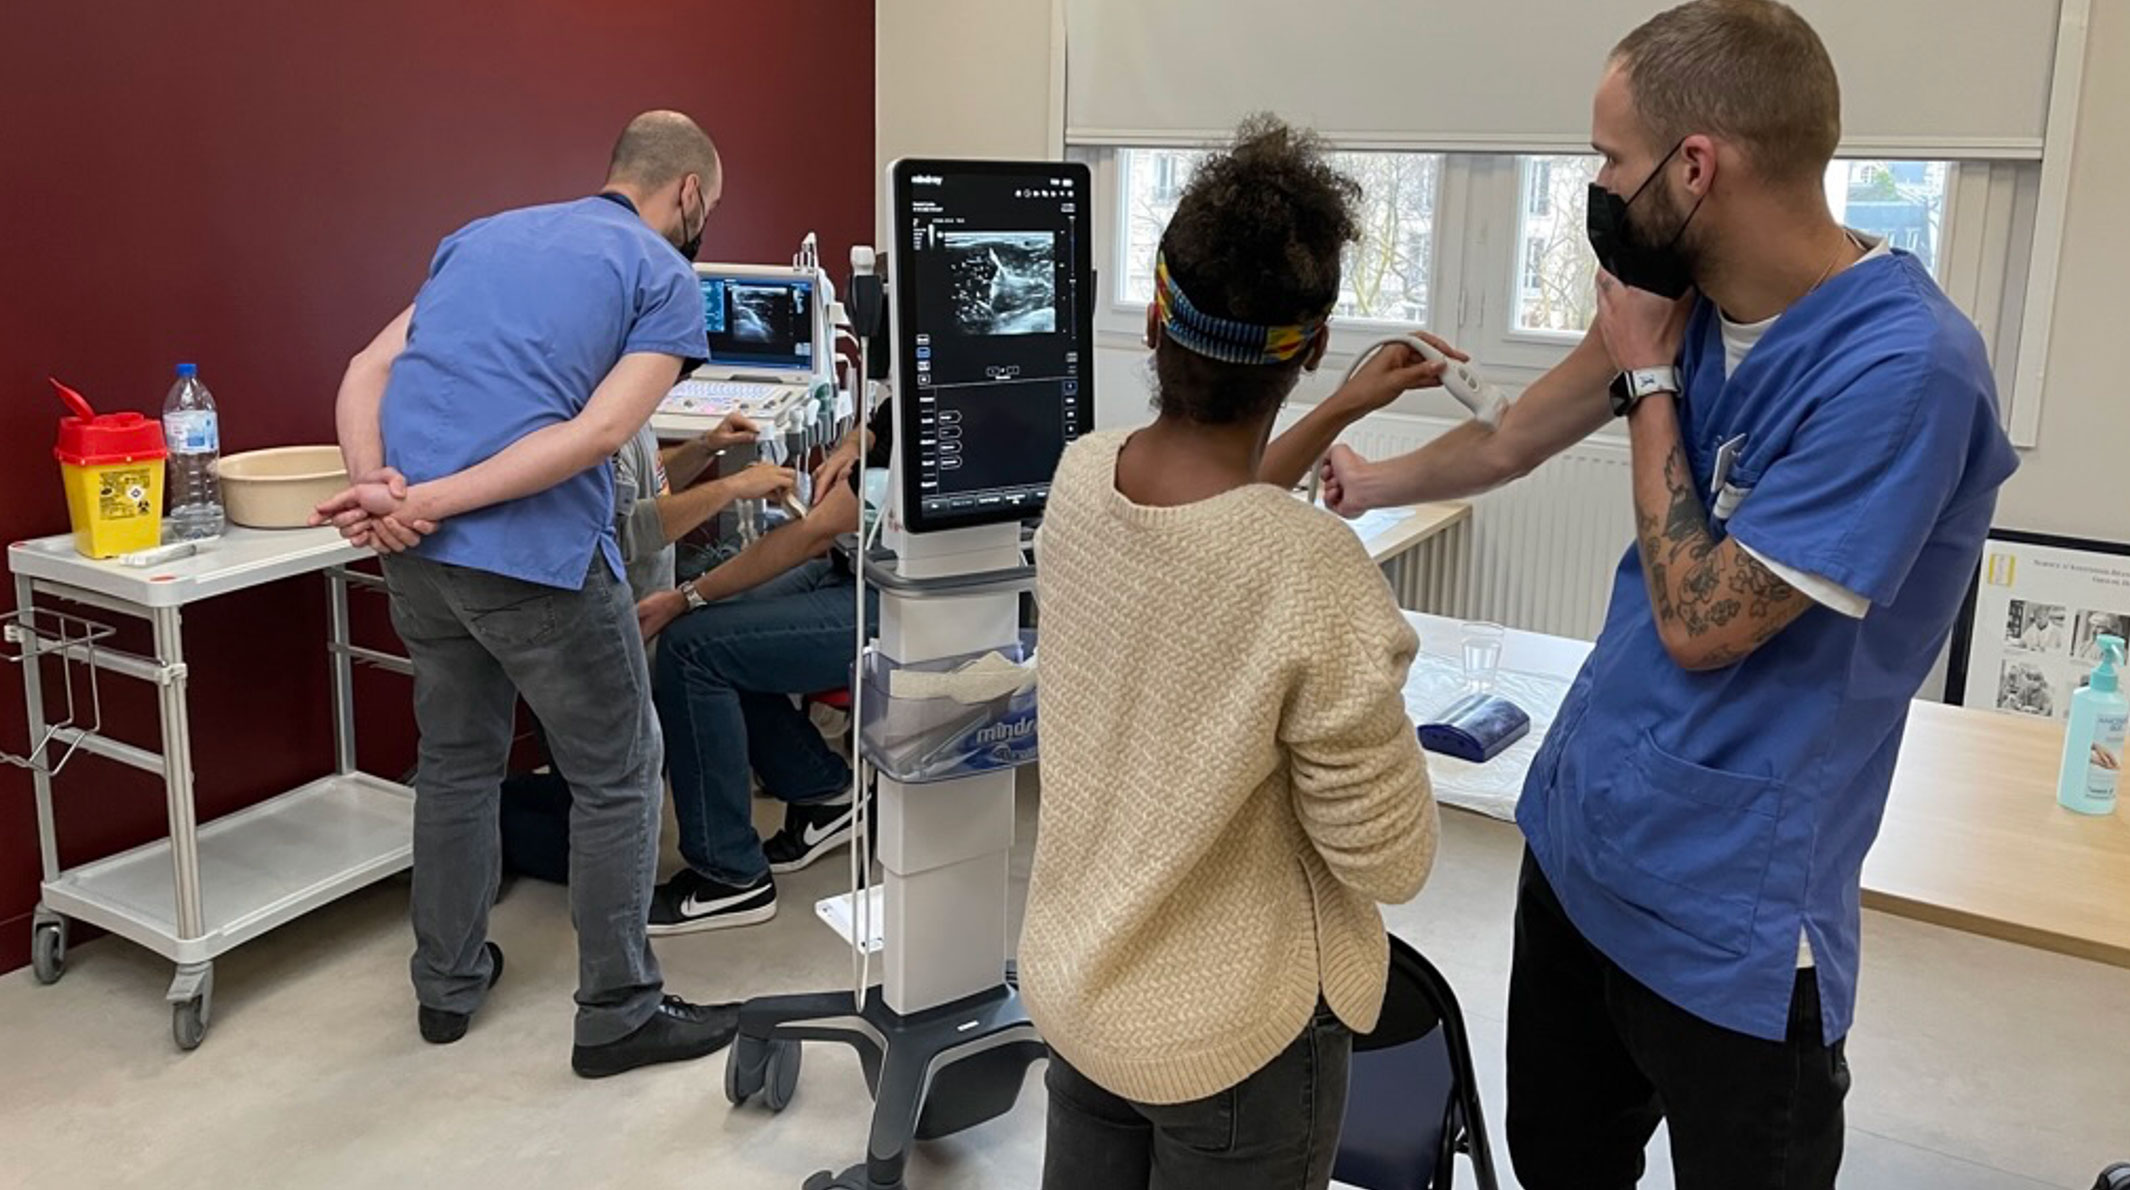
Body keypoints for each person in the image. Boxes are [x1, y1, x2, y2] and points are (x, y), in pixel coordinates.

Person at [1317, 3, 2019, 1185]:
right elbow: (1508, 441)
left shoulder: (1905, 372)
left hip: (1731, 921)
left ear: (1696, 167)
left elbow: (1703, 620)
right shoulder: (1683, 297)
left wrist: (1648, 375)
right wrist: (1373, 473)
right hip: (1587, 849)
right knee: (1563, 1163)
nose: (1596, 186)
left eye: (1609, 160)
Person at [1018, 116, 1447, 1190]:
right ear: (1302, 346)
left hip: (1085, 993)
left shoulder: (1080, 483)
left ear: (1159, 312)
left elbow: (1213, 532)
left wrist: (1347, 401)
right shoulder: (1312, 569)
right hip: (1233, 1047)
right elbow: (1391, 860)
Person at [316, 111, 752, 1079]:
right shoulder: (665, 276)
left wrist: (380, 487)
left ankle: (447, 981)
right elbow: (602, 437)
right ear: (687, 195)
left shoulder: (483, 236)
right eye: (708, 207)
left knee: (459, 759)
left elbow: (364, 369)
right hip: (530, 558)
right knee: (621, 762)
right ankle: (618, 1011)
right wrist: (427, 496)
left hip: (417, 559)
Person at [632, 399, 891, 933]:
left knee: (693, 649)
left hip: (892, 598)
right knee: (719, 629)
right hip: (849, 566)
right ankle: (825, 794)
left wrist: (685, 595)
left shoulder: (959, 397)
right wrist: (848, 449)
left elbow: (814, 533)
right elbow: (878, 425)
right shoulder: (919, 369)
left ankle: (731, 879)